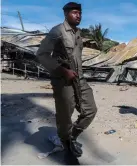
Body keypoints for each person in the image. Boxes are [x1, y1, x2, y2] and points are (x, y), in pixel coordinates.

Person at [36, 2, 97, 162]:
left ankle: (73, 136)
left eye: (80, 13)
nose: (78, 15)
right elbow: (42, 54)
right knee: (65, 115)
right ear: (66, 14)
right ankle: (66, 143)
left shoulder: (78, 33)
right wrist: (63, 71)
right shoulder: (57, 31)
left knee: (90, 109)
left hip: (79, 78)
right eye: (75, 12)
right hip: (63, 80)